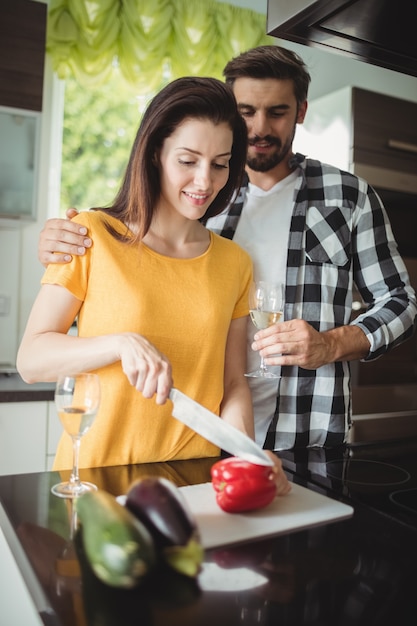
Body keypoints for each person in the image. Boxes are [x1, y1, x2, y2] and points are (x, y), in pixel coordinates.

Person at [36, 46, 417, 453]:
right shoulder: (202, 195)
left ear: (301, 111)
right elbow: (134, 250)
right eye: (247, 112)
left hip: (308, 426)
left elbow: (401, 302)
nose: (259, 127)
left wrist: (330, 344)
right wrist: (64, 239)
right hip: (204, 430)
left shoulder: (348, 197)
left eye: (277, 111)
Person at [17, 75, 290, 495]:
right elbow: (31, 358)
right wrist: (120, 343)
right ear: (155, 152)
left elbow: (232, 384)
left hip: (193, 483)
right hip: (98, 482)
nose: (205, 181)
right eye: (188, 160)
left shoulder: (234, 263)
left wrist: (248, 458)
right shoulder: (92, 234)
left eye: (220, 164)